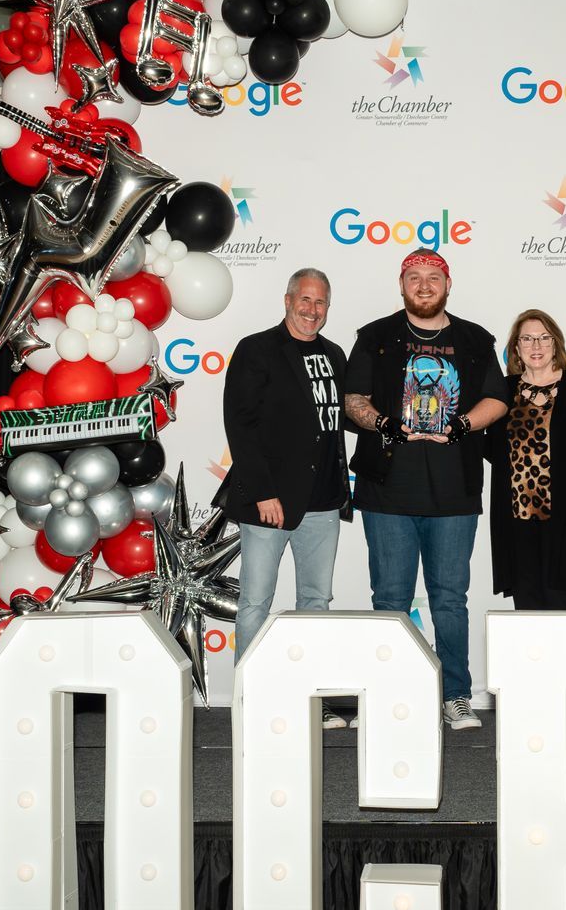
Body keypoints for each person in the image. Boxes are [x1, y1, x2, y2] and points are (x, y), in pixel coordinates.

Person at [342, 249, 509, 731]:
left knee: (450, 599)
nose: (423, 285)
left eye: (432, 277)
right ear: (401, 285)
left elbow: (497, 399)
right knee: (390, 598)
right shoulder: (374, 337)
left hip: (455, 494)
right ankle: (387, 694)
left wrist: (461, 426)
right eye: (413, 277)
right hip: (387, 492)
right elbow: (353, 400)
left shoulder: (475, 339)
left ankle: (455, 695)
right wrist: (385, 425)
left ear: (447, 284)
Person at [217, 268, 351, 728]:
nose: (312, 310)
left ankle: (312, 699)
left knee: (316, 602)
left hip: (324, 502)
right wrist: (263, 492)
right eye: (305, 300)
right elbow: (240, 425)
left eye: (321, 302)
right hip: (269, 504)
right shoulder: (257, 349)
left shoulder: (334, 354)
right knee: (256, 602)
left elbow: (337, 424)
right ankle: (250, 698)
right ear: (288, 299)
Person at [483, 310, 566, 611]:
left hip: (563, 521)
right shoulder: (503, 390)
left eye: (544, 338)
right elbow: (492, 449)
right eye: (527, 339)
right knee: (525, 613)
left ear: (555, 344)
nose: (536, 346)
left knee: (559, 609)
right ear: (516, 347)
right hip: (515, 522)